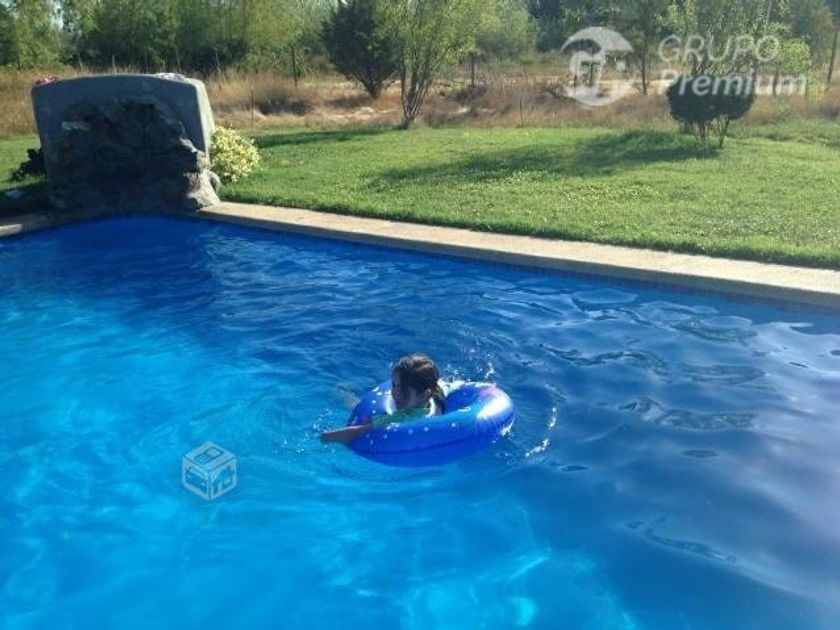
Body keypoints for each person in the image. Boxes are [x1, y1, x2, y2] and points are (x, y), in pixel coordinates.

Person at [320, 353, 446, 445]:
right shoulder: (434, 394)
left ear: (424, 394)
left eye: (402, 390)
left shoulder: (402, 418)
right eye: (394, 385)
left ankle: (341, 391)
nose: (394, 392)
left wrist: (326, 437)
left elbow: (360, 431)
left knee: (355, 406)